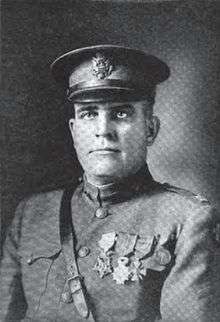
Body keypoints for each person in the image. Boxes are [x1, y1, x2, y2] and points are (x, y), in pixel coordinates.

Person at [0, 45, 220, 322]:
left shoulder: (187, 219)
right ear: (74, 129)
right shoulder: (31, 214)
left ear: (150, 129)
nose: (103, 130)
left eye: (121, 113)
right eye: (89, 114)